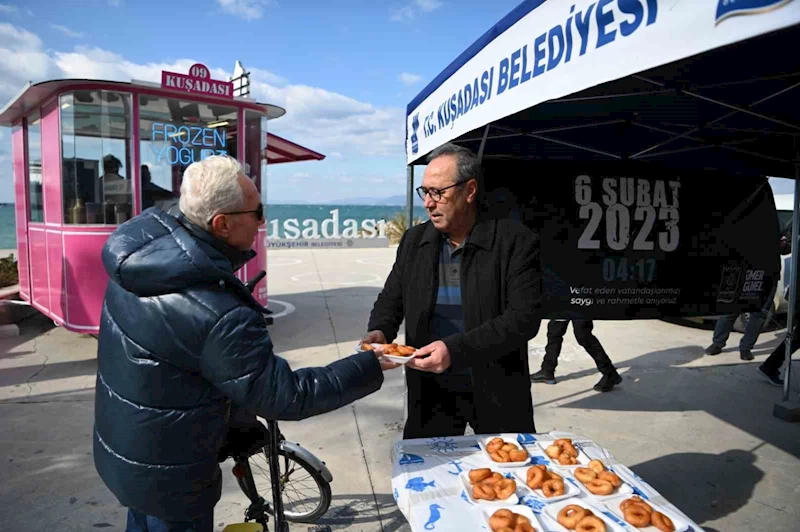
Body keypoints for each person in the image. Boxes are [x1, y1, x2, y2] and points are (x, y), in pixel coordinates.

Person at [93, 155, 398, 532]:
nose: (262, 222)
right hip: (172, 475)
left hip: (126, 449)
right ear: (221, 224)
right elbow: (284, 395)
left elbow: (181, 364)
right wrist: (367, 364)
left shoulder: (141, 260)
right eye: (257, 211)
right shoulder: (215, 309)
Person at [362, 143, 542, 439]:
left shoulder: (514, 241)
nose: (429, 203)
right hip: (431, 392)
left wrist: (454, 350)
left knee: (508, 478)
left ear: (469, 191)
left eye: (438, 192)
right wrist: (381, 330)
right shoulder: (414, 240)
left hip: (497, 390)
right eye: (425, 192)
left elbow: (523, 319)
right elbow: (392, 297)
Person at [530, 320, 623, 392]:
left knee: (583, 335)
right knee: (554, 331)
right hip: (561, 299)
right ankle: (547, 370)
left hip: (581, 300)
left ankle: (610, 374)